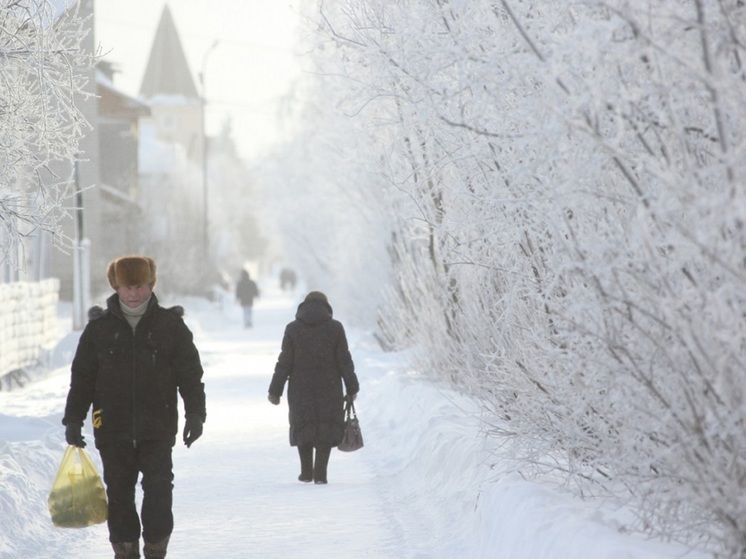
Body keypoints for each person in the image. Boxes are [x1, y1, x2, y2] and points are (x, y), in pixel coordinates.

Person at [62, 256, 206, 559]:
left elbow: (190, 375)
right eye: (127, 287)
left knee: (159, 490)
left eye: (139, 286)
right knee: (119, 494)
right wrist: (73, 419)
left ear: (151, 285)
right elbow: (83, 379)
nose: (133, 294)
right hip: (113, 428)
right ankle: (125, 551)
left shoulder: (170, 326)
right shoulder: (99, 330)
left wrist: (196, 413)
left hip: (158, 426)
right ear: (116, 287)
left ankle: (156, 548)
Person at [268, 291, 359, 484]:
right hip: (329, 386)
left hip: (301, 387)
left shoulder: (292, 329)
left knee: (304, 425)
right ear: (326, 307)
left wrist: (275, 391)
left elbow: (284, 362)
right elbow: (344, 361)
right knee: (326, 427)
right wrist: (352, 387)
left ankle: (306, 471)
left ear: (303, 306)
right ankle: (320, 474)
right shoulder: (335, 328)